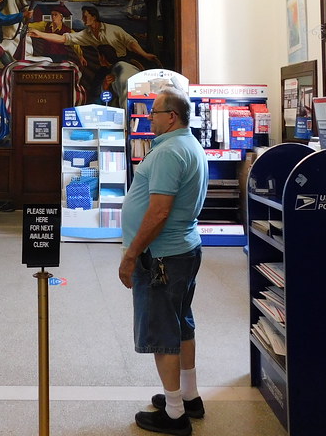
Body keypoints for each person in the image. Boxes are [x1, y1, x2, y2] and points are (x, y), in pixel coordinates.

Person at [118, 86, 208, 436]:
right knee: (182, 322)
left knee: (162, 332)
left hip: (162, 258)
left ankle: (174, 414)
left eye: (153, 112)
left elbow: (158, 212)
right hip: (183, 250)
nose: (148, 116)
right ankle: (189, 395)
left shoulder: (170, 152)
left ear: (171, 116)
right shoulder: (188, 145)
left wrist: (130, 255)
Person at [29, 4, 160, 107]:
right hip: (106, 65)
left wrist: (145, 54)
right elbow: (64, 39)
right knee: (95, 90)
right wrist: (40, 34)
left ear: (94, 17)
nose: (83, 19)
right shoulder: (87, 34)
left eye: (85, 16)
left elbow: (130, 42)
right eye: (82, 16)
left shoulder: (113, 30)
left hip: (121, 63)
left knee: (124, 86)